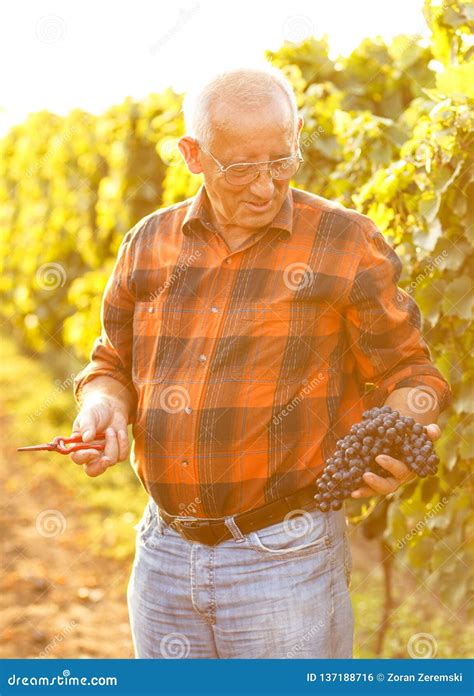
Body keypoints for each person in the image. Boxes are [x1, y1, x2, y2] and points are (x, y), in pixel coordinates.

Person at [71, 67, 452, 659]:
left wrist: (399, 433)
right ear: (193, 155)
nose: (265, 187)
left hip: (286, 559)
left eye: (282, 160)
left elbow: (412, 373)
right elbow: (111, 362)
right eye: (242, 168)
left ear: (297, 134)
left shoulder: (343, 243)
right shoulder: (148, 243)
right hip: (163, 555)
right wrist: (102, 406)